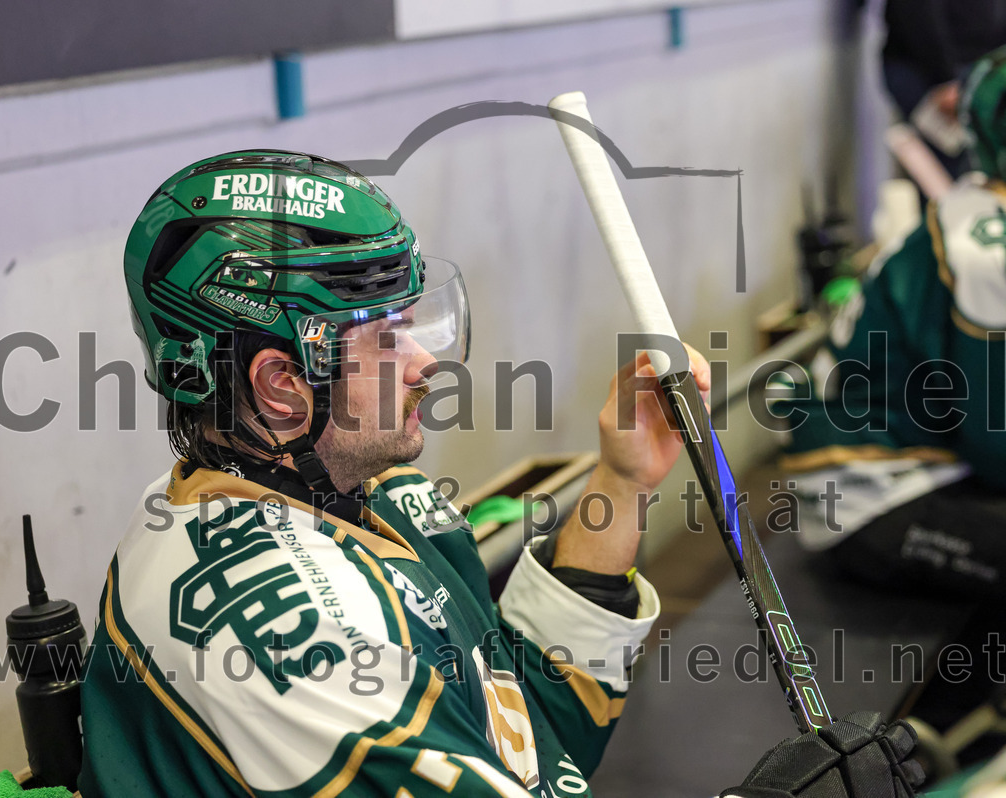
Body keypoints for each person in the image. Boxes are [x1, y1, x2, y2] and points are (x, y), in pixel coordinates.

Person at [78, 150, 923, 796]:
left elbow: (523, 723)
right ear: (280, 382)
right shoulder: (284, 636)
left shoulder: (374, 500)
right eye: (381, 333)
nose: (422, 362)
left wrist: (621, 482)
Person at [780, 47, 1006, 600]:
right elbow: (996, 437)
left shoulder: (981, 207)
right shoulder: (987, 248)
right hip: (868, 492)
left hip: (929, 460)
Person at [880, 0, 1006, 180]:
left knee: (985, 165)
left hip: (981, 66)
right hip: (923, 68)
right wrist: (949, 80)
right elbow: (919, 15)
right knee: (946, 170)